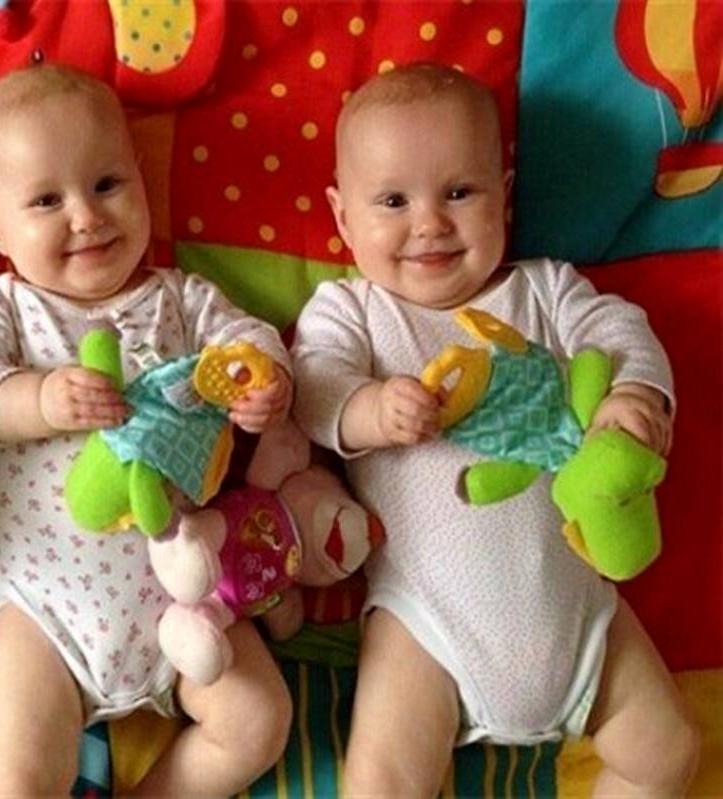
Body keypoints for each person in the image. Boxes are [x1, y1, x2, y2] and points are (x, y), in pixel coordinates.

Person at [292, 63, 699, 796]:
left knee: (668, 753)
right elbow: (313, 386)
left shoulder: (544, 290)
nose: (429, 223)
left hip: (578, 612)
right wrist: (370, 409)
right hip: (428, 624)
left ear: (504, 195)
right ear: (343, 218)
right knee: (380, 783)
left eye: (459, 192)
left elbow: (619, 333)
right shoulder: (354, 311)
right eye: (393, 201)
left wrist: (633, 398)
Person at [0, 64, 293, 797]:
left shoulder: (181, 299)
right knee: (20, 777)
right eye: (47, 200)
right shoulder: (0, 307)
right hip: (46, 612)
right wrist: (39, 399)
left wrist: (264, 380)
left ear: (140, 177)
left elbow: (249, 341)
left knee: (259, 721)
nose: (86, 216)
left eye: (107, 184)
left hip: (187, 593)